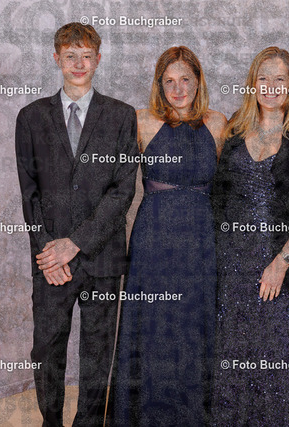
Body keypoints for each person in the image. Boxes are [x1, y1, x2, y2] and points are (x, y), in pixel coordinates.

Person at [15, 22, 137, 426]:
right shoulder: (31, 118)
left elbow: (122, 190)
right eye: (71, 56)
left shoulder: (121, 116)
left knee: (97, 352)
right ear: (57, 59)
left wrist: (77, 243)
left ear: (98, 60)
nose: (79, 64)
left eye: (86, 56)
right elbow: (29, 194)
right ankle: (51, 421)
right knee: (46, 349)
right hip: (51, 260)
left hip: (101, 257)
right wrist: (49, 252)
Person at [211, 47, 289, 426]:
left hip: (288, 268)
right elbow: (218, 200)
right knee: (237, 356)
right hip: (234, 270)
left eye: (280, 79)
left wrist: (281, 263)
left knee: (280, 359)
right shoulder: (234, 131)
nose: (271, 86)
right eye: (263, 78)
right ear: (252, 84)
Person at [108, 46, 226, 426]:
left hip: (201, 242)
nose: (178, 89)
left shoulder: (218, 123)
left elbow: (230, 192)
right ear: (159, 85)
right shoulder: (141, 121)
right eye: (169, 81)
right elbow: (113, 186)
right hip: (153, 243)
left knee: (194, 329)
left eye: (185, 79)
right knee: (153, 329)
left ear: (198, 81)